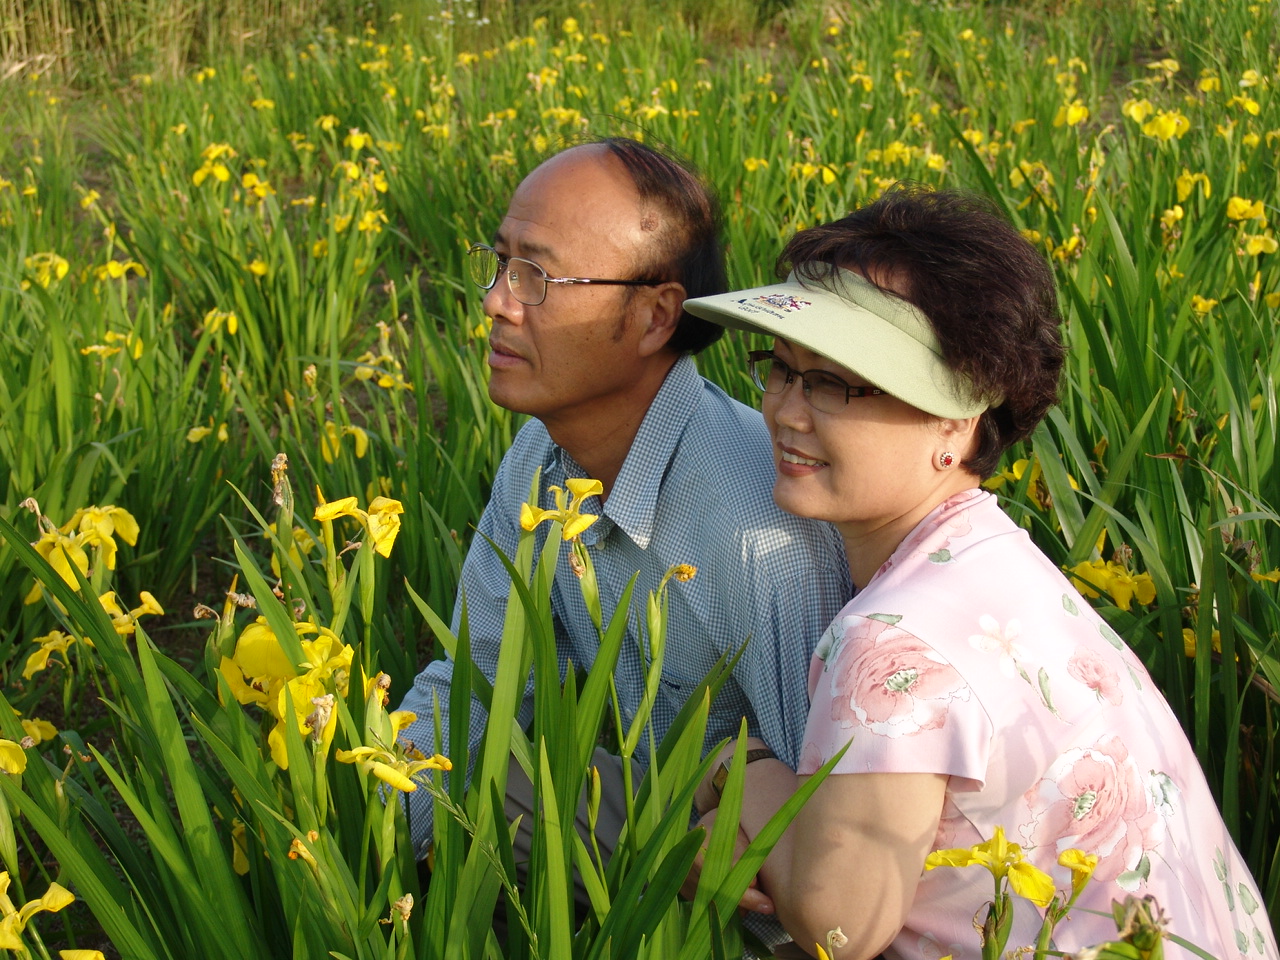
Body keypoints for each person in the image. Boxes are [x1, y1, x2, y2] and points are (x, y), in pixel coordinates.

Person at [680, 185, 1277, 960]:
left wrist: (741, 768)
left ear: (956, 422)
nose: (787, 411)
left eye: (833, 383)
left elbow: (840, 927)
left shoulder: (896, 640)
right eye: (782, 369)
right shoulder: (998, 566)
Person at [395, 137, 851, 916]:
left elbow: (832, 825)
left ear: (653, 316)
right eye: (499, 262)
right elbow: (474, 679)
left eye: (536, 276)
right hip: (661, 844)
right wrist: (375, 811)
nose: (496, 302)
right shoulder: (543, 454)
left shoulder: (757, 533)